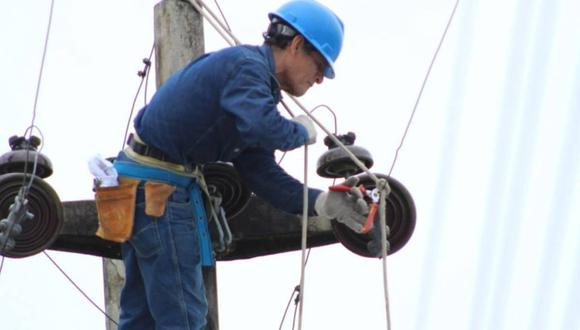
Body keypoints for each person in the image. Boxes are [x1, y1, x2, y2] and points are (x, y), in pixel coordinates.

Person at [113, 1, 369, 329]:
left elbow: (259, 172)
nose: (319, 79)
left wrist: (321, 202)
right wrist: (299, 131)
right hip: (158, 195)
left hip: (144, 189)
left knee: (143, 318)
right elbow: (263, 127)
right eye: (319, 65)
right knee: (184, 320)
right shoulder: (247, 69)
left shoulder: (252, 89)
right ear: (295, 45)